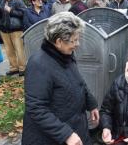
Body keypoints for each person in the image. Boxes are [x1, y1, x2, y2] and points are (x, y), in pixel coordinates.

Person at [22, 12, 99, 145]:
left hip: (75, 125)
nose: (77, 44)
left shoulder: (65, 54)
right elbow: (36, 108)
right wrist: (66, 134)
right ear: (58, 42)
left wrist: (91, 104)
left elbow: (78, 81)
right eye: (74, 40)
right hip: (51, 137)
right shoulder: (38, 64)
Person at [0, 0, 27, 76]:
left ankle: (22, 68)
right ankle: (14, 68)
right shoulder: (2, 2)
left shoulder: (17, 1)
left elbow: (24, 13)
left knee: (19, 50)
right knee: (9, 51)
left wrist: (11, 11)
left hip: (16, 30)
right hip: (4, 30)